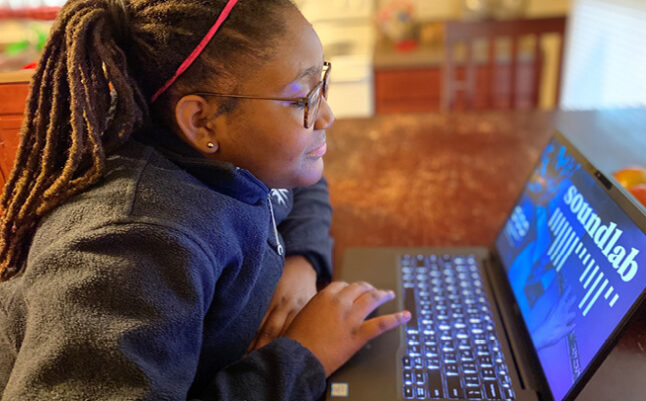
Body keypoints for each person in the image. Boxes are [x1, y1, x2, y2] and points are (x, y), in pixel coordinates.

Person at [0, 0, 410, 400]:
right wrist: (305, 356)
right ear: (201, 120)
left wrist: (301, 260)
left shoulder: (240, 154)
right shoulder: (130, 250)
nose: (326, 116)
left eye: (321, 83)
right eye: (302, 99)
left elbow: (301, 181)